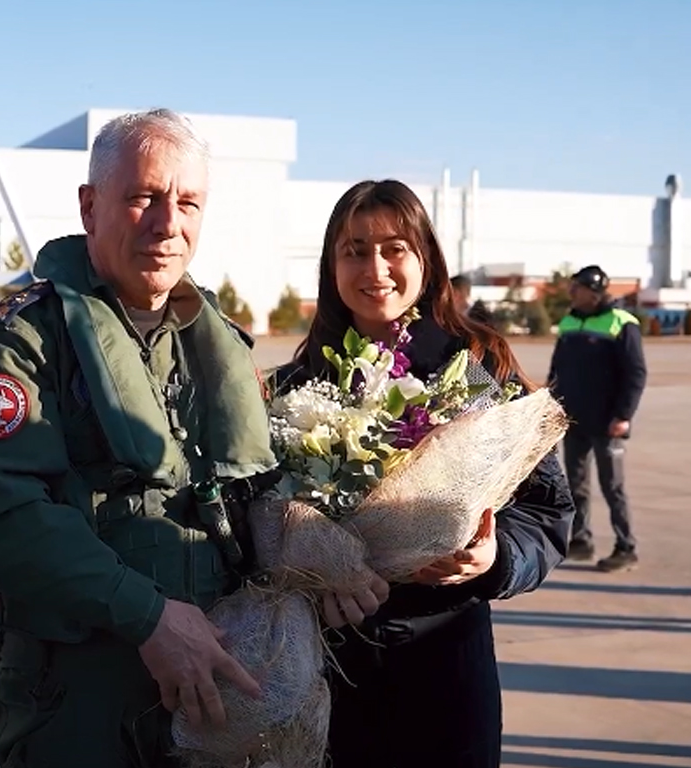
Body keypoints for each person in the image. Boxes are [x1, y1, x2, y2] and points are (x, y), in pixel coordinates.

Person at [0, 109, 275, 768]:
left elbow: (256, 489)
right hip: (78, 700)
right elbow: (7, 515)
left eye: (188, 202)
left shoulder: (220, 348)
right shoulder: (25, 343)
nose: (168, 223)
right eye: (144, 197)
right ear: (90, 207)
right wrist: (147, 617)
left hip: (211, 689)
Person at [269, 180, 575, 768]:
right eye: (354, 250)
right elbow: (254, 520)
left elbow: (548, 512)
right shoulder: (294, 389)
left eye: (394, 249)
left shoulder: (478, 370)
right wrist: (302, 555)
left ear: (426, 259)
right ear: (331, 266)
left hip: (446, 665)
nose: (375, 268)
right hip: (330, 670)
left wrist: (495, 558)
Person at [549, 265, 647, 572]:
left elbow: (636, 373)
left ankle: (626, 547)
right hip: (573, 418)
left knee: (612, 487)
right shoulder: (569, 322)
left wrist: (623, 415)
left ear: (593, 292)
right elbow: (557, 369)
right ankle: (581, 541)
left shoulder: (621, 322)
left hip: (608, 422)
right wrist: (551, 402)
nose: (571, 293)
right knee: (576, 484)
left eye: (576, 288)